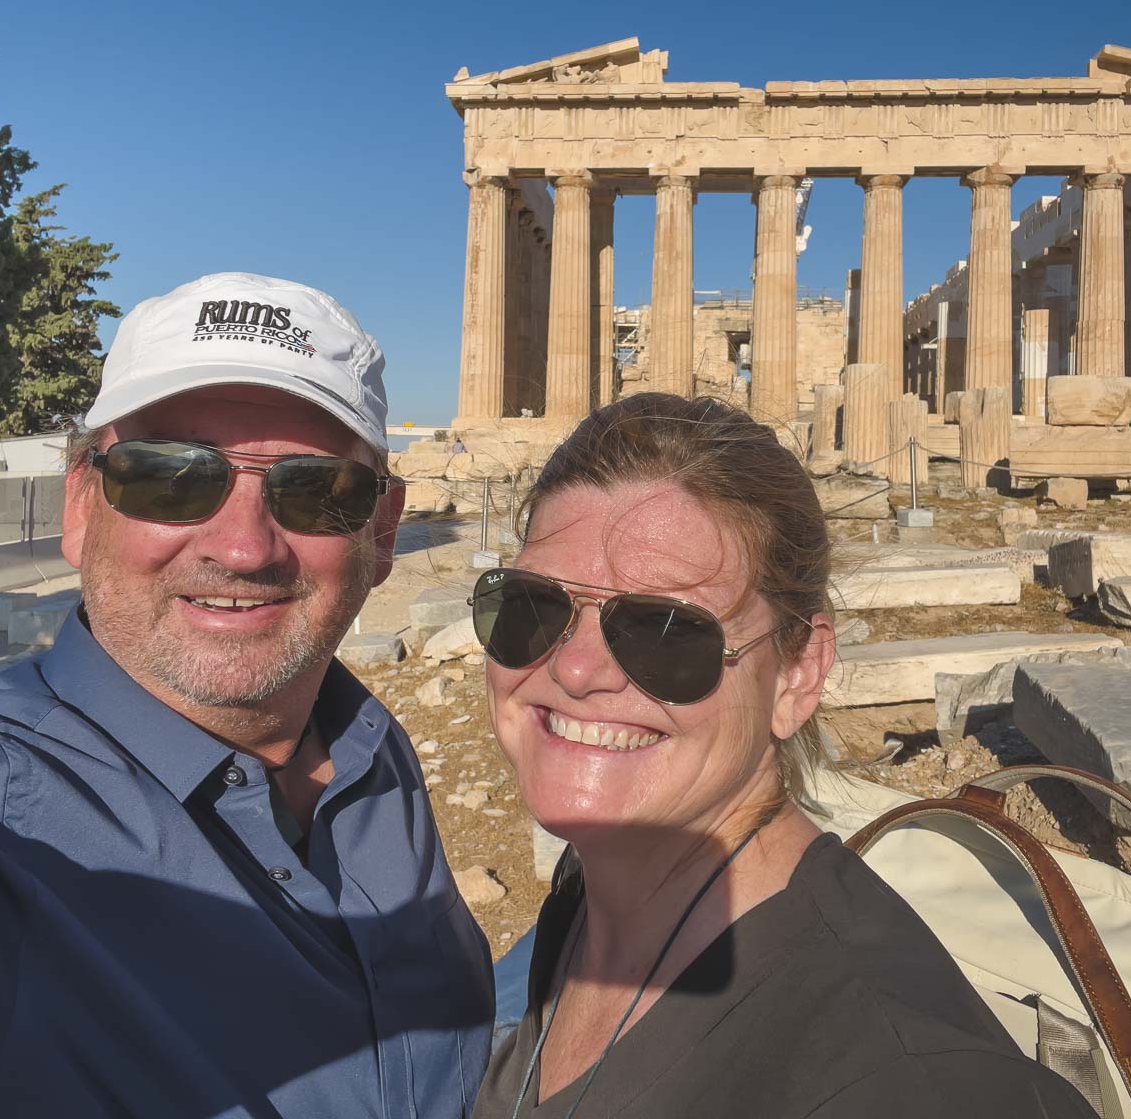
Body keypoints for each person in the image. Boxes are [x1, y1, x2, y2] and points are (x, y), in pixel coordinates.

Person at [0, 273, 493, 1118]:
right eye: (169, 478)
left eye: (314, 489)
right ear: (82, 507)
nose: (242, 549)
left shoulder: (367, 751)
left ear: (381, 533)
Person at [468, 393, 1094, 1119]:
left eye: (666, 631)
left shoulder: (904, 1079)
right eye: (532, 606)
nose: (575, 670)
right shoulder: (594, 888)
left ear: (797, 675)